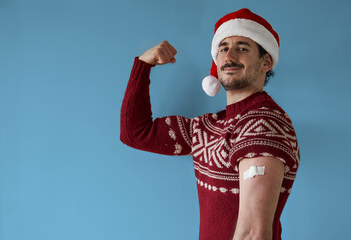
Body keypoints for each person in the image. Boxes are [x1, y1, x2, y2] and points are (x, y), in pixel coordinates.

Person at [120, 8, 300, 240]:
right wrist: (143, 66)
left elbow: (253, 234)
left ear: (266, 62)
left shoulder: (263, 123)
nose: (229, 56)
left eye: (242, 48)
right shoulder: (207, 128)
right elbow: (135, 133)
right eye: (223, 48)